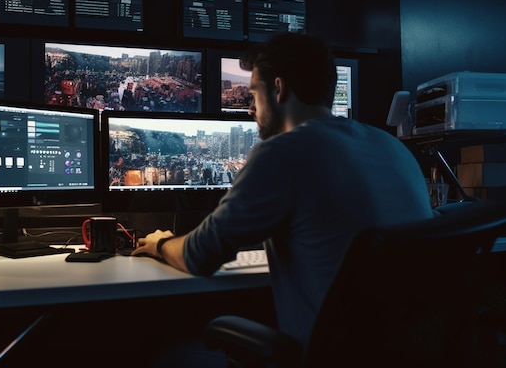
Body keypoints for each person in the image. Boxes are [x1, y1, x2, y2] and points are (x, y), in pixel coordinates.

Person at [131, 32, 434, 363]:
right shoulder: (392, 147)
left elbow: (200, 256)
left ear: (278, 89)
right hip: (406, 354)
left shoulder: (282, 152)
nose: (249, 109)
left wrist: (160, 243)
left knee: (161, 355)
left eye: (253, 95)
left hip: (325, 356)